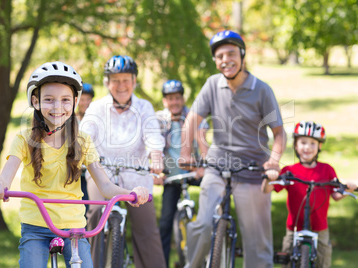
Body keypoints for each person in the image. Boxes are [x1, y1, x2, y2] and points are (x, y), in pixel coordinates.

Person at [0, 61, 150, 268]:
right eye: (49, 100)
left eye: (65, 100)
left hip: (75, 229)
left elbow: (105, 186)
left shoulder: (83, 141)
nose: (57, 107)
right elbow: (5, 177)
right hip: (36, 227)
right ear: (35, 101)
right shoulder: (24, 139)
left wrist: (131, 193)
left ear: (75, 102)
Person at [180, 30, 286, 268]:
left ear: (242, 55)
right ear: (215, 61)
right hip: (217, 165)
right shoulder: (212, 85)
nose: (225, 60)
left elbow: (279, 133)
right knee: (203, 224)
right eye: (219, 56)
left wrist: (274, 161)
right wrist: (185, 153)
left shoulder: (262, 90)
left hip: (252, 169)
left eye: (231, 54)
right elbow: (191, 122)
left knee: (257, 240)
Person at [80, 55, 167, 268]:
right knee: (95, 215)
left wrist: (155, 155)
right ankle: (89, 264)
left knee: (146, 228)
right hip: (101, 172)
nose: (121, 85)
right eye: (115, 80)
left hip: (136, 175)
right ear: (107, 82)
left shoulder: (145, 107)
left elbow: (153, 135)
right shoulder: (97, 108)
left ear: (134, 81)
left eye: (126, 80)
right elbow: (83, 136)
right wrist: (77, 156)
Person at [262, 121, 357, 268]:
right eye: (303, 142)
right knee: (288, 261)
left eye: (313, 143)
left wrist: (349, 188)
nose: (307, 147)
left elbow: (336, 195)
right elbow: (266, 190)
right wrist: (269, 178)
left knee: (323, 261)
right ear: (295, 145)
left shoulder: (326, 170)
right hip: (294, 228)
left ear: (319, 146)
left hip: (320, 228)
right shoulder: (289, 171)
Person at [155, 79, 209, 267]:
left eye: (177, 98)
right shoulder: (160, 120)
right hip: (171, 176)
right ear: (165, 101)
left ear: (183, 99)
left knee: (213, 203)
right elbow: (156, 147)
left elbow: (203, 142)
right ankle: (162, 263)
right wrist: (158, 172)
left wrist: (204, 166)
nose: (174, 102)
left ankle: (214, 250)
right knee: (165, 223)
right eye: (170, 99)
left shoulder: (194, 117)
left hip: (195, 173)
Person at [75, 82, 95, 218]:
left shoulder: (95, 120)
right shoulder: (71, 120)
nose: (85, 103)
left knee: (91, 206)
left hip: (91, 170)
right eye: (82, 99)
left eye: (88, 99)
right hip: (76, 172)